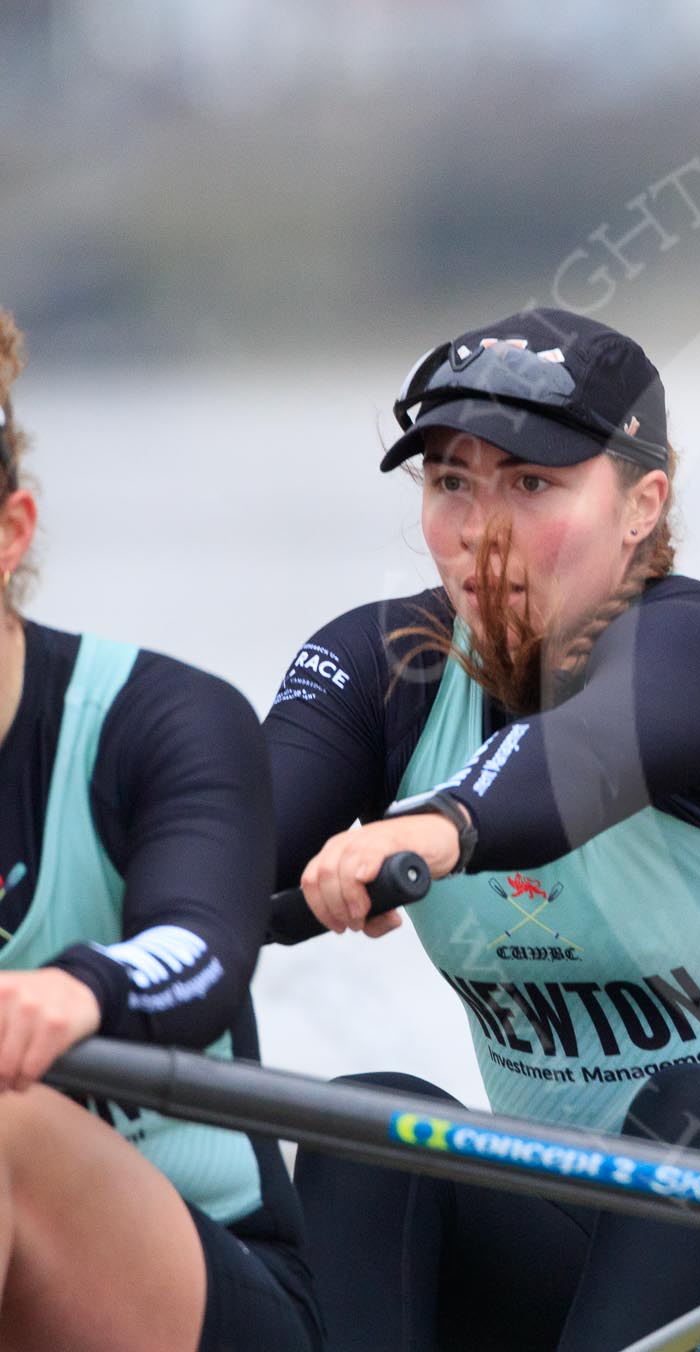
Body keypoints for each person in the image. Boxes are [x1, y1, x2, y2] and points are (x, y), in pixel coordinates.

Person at [264, 308, 700, 1350]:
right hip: (600, 1258)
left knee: (695, 1113)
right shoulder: (381, 667)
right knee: (370, 1124)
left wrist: (432, 826)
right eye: (452, 482)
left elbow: (578, 756)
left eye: (531, 484)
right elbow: (229, 847)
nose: (482, 531)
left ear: (643, 504)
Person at [0, 309, 321, 1349]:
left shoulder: (161, 719)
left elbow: (204, 946)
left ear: (12, 532)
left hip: (214, 1281)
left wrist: (75, 989)